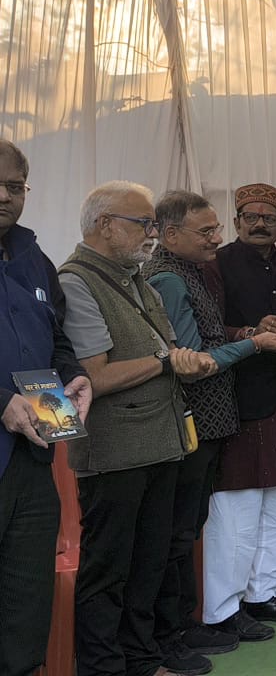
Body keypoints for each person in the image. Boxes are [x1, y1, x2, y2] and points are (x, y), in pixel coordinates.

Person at [58, 181, 215, 676]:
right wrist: (167, 361)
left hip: (161, 442)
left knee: (149, 563)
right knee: (108, 569)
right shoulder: (76, 282)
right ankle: (104, 667)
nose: (151, 233)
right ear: (106, 225)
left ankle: (142, 660)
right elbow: (94, 377)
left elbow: (161, 353)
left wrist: (180, 362)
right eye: (143, 223)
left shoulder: (137, 281)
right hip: (114, 452)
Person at [144, 190, 276, 674]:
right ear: (172, 234)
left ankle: (192, 624)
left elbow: (205, 342)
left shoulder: (198, 268)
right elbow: (195, 358)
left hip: (225, 411)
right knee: (198, 524)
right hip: (198, 412)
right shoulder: (179, 274)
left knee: (187, 527)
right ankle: (193, 624)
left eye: (268, 217)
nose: (216, 237)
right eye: (209, 229)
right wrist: (253, 340)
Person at [200, 183, 276, 647]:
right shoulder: (217, 264)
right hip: (243, 397)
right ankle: (224, 609)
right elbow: (207, 329)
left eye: (268, 217)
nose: (260, 223)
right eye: (250, 216)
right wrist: (251, 331)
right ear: (236, 222)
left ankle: (268, 594)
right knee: (237, 508)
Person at [0, 140, 91, 676]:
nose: (4, 196)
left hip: (33, 460)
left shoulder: (37, 260)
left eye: (14, 186)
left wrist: (74, 375)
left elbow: (56, 339)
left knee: (26, 599)